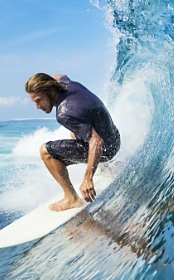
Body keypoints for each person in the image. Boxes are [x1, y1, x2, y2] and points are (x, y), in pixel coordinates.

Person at [25, 73, 121, 211]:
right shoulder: (66, 84)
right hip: (115, 138)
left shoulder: (64, 114)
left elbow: (96, 141)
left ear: (50, 91)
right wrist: (41, 81)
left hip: (107, 150)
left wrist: (88, 178)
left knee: (46, 152)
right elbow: (60, 75)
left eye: (39, 100)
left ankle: (72, 198)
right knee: (75, 131)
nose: (37, 106)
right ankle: (106, 167)